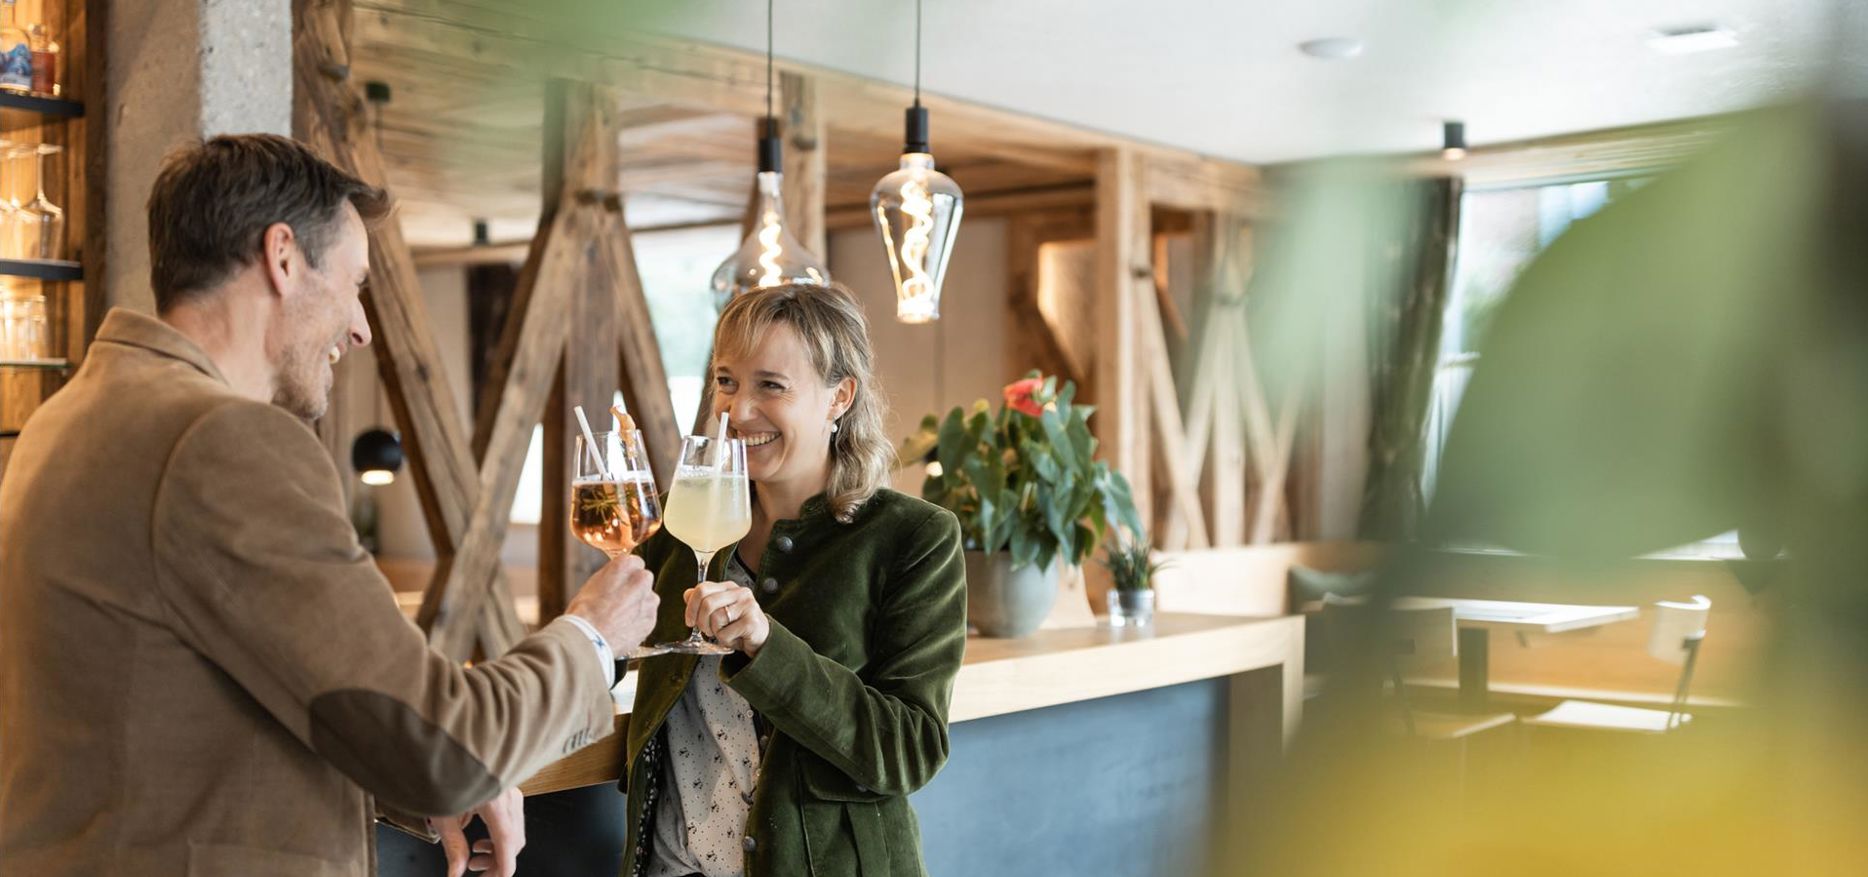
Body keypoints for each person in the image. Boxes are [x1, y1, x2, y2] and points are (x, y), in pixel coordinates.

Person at [0, 134, 660, 877]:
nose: (362, 325)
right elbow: (447, 744)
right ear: (282, 258)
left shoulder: (71, 415)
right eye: (353, 284)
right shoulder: (223, 440)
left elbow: (206, 709)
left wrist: (406, 771)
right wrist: (592, 635)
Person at [620, 282, 967, 877]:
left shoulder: (913, 537)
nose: (737, 410)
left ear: (840, 397)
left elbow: (910, 750)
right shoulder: (684, 527)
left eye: (770, 386)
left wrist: (765, 645)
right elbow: (620, 658)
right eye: (726, 381)